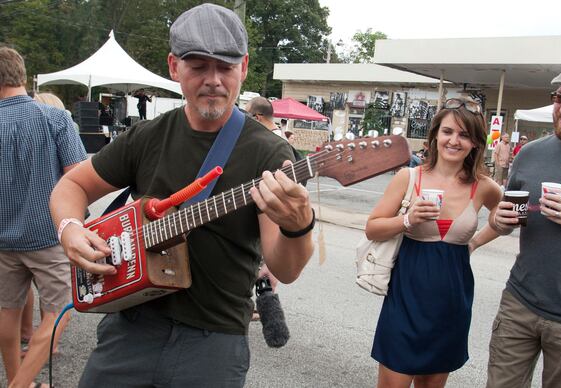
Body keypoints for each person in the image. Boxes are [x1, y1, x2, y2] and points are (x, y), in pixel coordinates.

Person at [49, 4, 314, 387]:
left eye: (225, 67)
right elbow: (71, 187)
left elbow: (286, 269)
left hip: (213, 342)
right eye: (198, 67)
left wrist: (298, 225)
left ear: (243, 67)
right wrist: (71, 228)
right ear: (174, 67)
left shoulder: (269, 153)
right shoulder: (146, 136)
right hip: (131, 328)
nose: (213, 80)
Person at [366, 97, 502, 388]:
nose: (454, 141)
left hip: (452, 304)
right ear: (435, 135)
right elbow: (372, 228)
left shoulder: (484, 186)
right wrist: (407, 220)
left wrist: (477, 241)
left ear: (476, 143)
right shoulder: (409, 177)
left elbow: (510, 215)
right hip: (405, 301)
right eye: (448, 132)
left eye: (464, 135)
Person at [485, 60, 561, 388]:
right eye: (559, 98)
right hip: (520, 302)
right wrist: (499, 219)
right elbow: (505, 217)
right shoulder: (530, 154)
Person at [0, 47, 87, 388]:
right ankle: (21, 385)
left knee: (6, 312)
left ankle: (14, 379)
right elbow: (79, 178)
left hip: (3, 239)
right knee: (61, 310)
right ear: (21, 75)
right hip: (49, 236)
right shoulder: (54, 119)